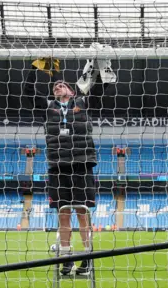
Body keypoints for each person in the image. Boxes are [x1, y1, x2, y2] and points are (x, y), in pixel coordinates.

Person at [24, 45, 115, 276]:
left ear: (72, 92)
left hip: (82, 164)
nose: (58, 86)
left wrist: (103, 68)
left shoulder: (83, 104)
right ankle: (66, 259)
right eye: (55, 85)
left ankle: (86, 260)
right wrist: (35, 68)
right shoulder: (48, 108)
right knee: (63, 213)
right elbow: (27, 91)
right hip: (57, 166)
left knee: (82, 212)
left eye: (62, 85)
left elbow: (100, 90)